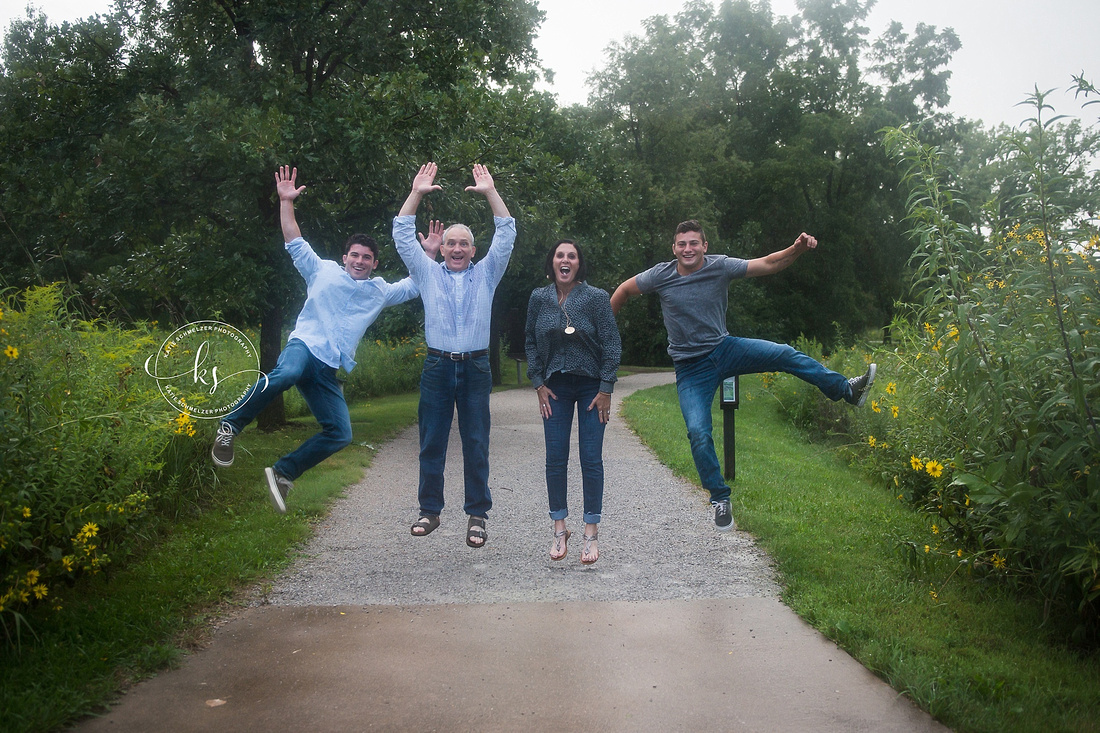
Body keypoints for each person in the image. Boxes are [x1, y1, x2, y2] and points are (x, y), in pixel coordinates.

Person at [610, 220, 875, 532]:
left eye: (694, 243)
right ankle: (720, 498)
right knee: (698, 432)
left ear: (704, 246)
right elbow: (624, 290)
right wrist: (606, 329)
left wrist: (797, 249)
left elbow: (767, 264)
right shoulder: (661, 275)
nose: (688, 249)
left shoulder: (719, 266)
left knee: (785, 354)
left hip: (725, 349)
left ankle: (846, 390)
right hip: (691, 368)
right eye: (682, 244)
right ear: (674, 248)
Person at [211, 165, 420, 514]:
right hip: (304, 347)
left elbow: (415, 284)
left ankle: (283, 472)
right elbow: (294, 240)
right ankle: (229, 426)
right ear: (344, 258)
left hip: (328, 368)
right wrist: (286, 202)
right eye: (354, 255)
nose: (359, 261)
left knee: (340, 433)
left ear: (374, 263)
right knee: (287, 374)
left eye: (366, 257)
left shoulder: (380, 291)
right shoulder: (321, 269)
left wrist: (427, 254)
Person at [392, 162, 516, 548]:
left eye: (464, 243)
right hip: (437, 367)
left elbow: (507, 232)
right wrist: (417, 192)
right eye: (451, 243)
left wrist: (490, 192)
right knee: (431, 440)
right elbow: (400, 233)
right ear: (440, 248)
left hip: (476, 368)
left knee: (476, 441)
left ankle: (477, 515)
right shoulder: (427, 274)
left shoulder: (488, 273)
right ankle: (430, 511)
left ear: (473, 250)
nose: (458, 248)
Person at [525, 239, 621, 564]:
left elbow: (611, 342)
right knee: (555, 457)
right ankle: (559, 528)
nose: (565, 260)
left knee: (591, 458)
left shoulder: (595, 298)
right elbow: (529, 339)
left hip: (593, 387)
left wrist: (607, 387)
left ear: (579, 263)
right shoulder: (539, 298)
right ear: (552, 262)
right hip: (555, 387)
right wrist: (537, 382)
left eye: (572, 256)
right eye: (559, 255)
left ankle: (591, 533)